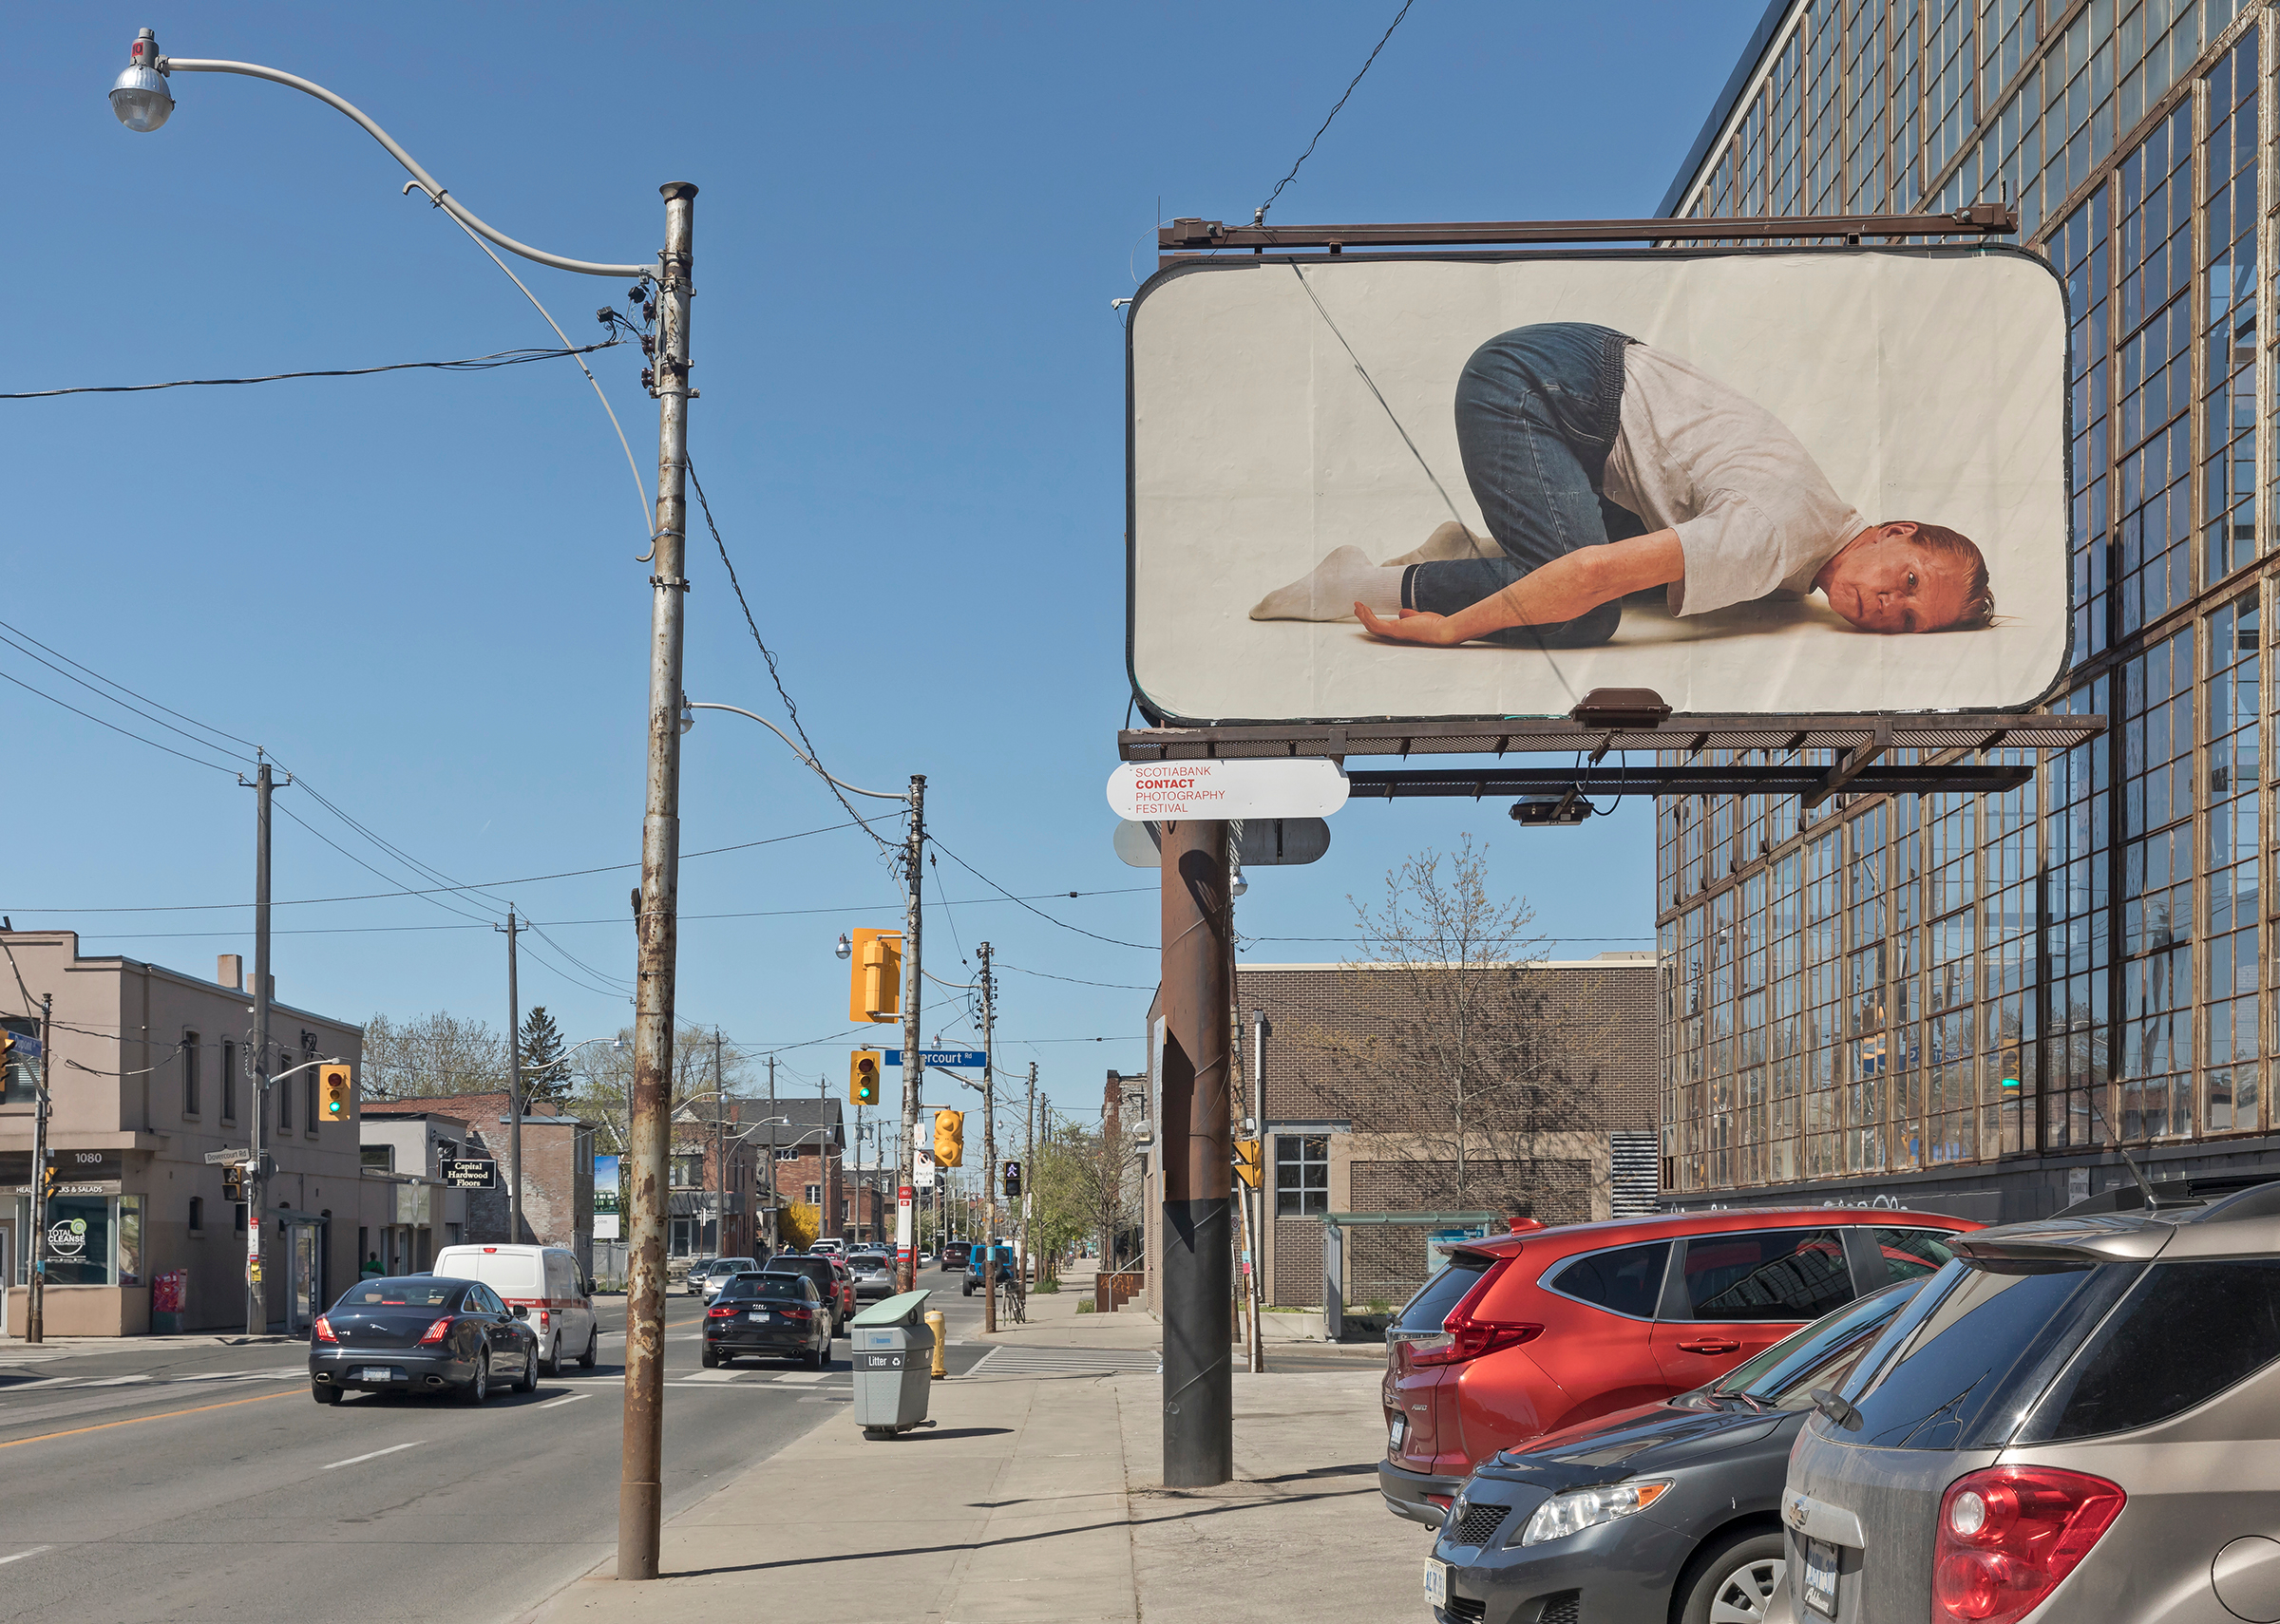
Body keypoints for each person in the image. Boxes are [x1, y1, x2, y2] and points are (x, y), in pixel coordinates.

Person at [1249, 321, 1995, 649]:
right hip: (1533, 389)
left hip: (1581, 392)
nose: (1886, 606)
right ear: (1896, 531)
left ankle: (1467, 550)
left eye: (1905, 620)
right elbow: (1596, 573)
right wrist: (1452, 627)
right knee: (1582, 617)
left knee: (1668, 579)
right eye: (1905, 580)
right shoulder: (1774, 535)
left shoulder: (1811, 537)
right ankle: (1365, 582)